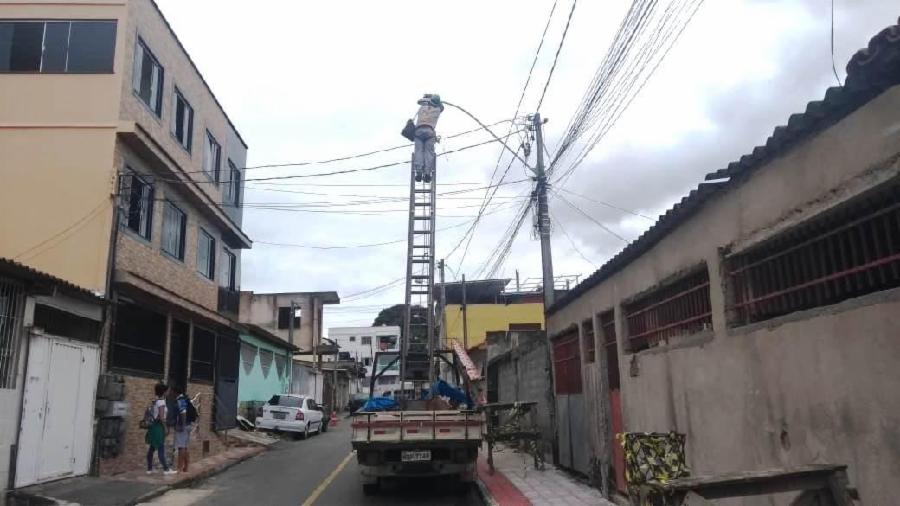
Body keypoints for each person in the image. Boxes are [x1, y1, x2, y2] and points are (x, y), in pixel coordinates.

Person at [407, 94, 443, 183]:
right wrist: (435, 99)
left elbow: (419, 101)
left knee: (418, 151)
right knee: (429, 153)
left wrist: (428, 96)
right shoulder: (437, 110)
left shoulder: (423, 107)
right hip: (429, 132)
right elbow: (442, 106)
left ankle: (418, 173)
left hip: (418, 132)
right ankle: (427, 174)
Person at [146, 382, 176, 475]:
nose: (168, 392)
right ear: (164, 392)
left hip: (153, 426)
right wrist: (166, 427)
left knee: (152, 448)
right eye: (167, 391)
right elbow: (162, 417)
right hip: (159, 426)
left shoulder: (156, 401)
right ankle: (166, 469)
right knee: (161, 447)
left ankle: (149, 469)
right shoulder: (162, 402)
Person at [172, 385, 192, 473]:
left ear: (175, 392)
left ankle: (179, 468)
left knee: (181, 447)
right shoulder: (184, 399)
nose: (170, 393)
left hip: (183, 426)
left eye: (172, 391)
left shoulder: (180, 400)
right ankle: (186, 467)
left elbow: (183, 413)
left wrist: (182, 426)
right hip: (188, 425)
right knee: (185, 447)